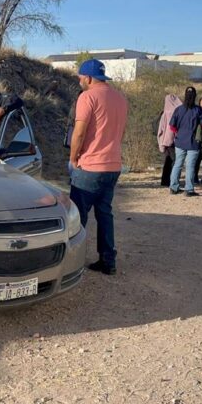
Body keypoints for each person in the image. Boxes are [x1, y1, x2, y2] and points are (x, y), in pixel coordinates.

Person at [69, 59, 128, 276]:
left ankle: (73, 264)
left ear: (89, 78)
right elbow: (121, 133)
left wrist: (74, 157)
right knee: (105, 213)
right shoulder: (120, 98)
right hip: (113, 165)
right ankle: (108, 260)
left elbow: (80, 132)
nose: (79, 81)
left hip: (90, 166)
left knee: (78, 215)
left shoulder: (87, 97)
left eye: (80, 77)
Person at [168, 86, 202, 197]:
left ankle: (173, 187)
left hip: (180, 141)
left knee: (178, 164)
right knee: (190, 166)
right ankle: (189, 189)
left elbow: (172, 126)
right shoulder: (198, 110)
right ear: (195, 96)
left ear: (185, 96)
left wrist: (179, 133)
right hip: (193, 143)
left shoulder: (178, 109)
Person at [157, 94, 182, 186]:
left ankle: (165, 180)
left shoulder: (165, 113)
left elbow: (161, 129)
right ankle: (172, 181)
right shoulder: (178, 112)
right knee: (175, 161)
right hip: (176, 140)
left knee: (168, 161)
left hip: (166, 140)